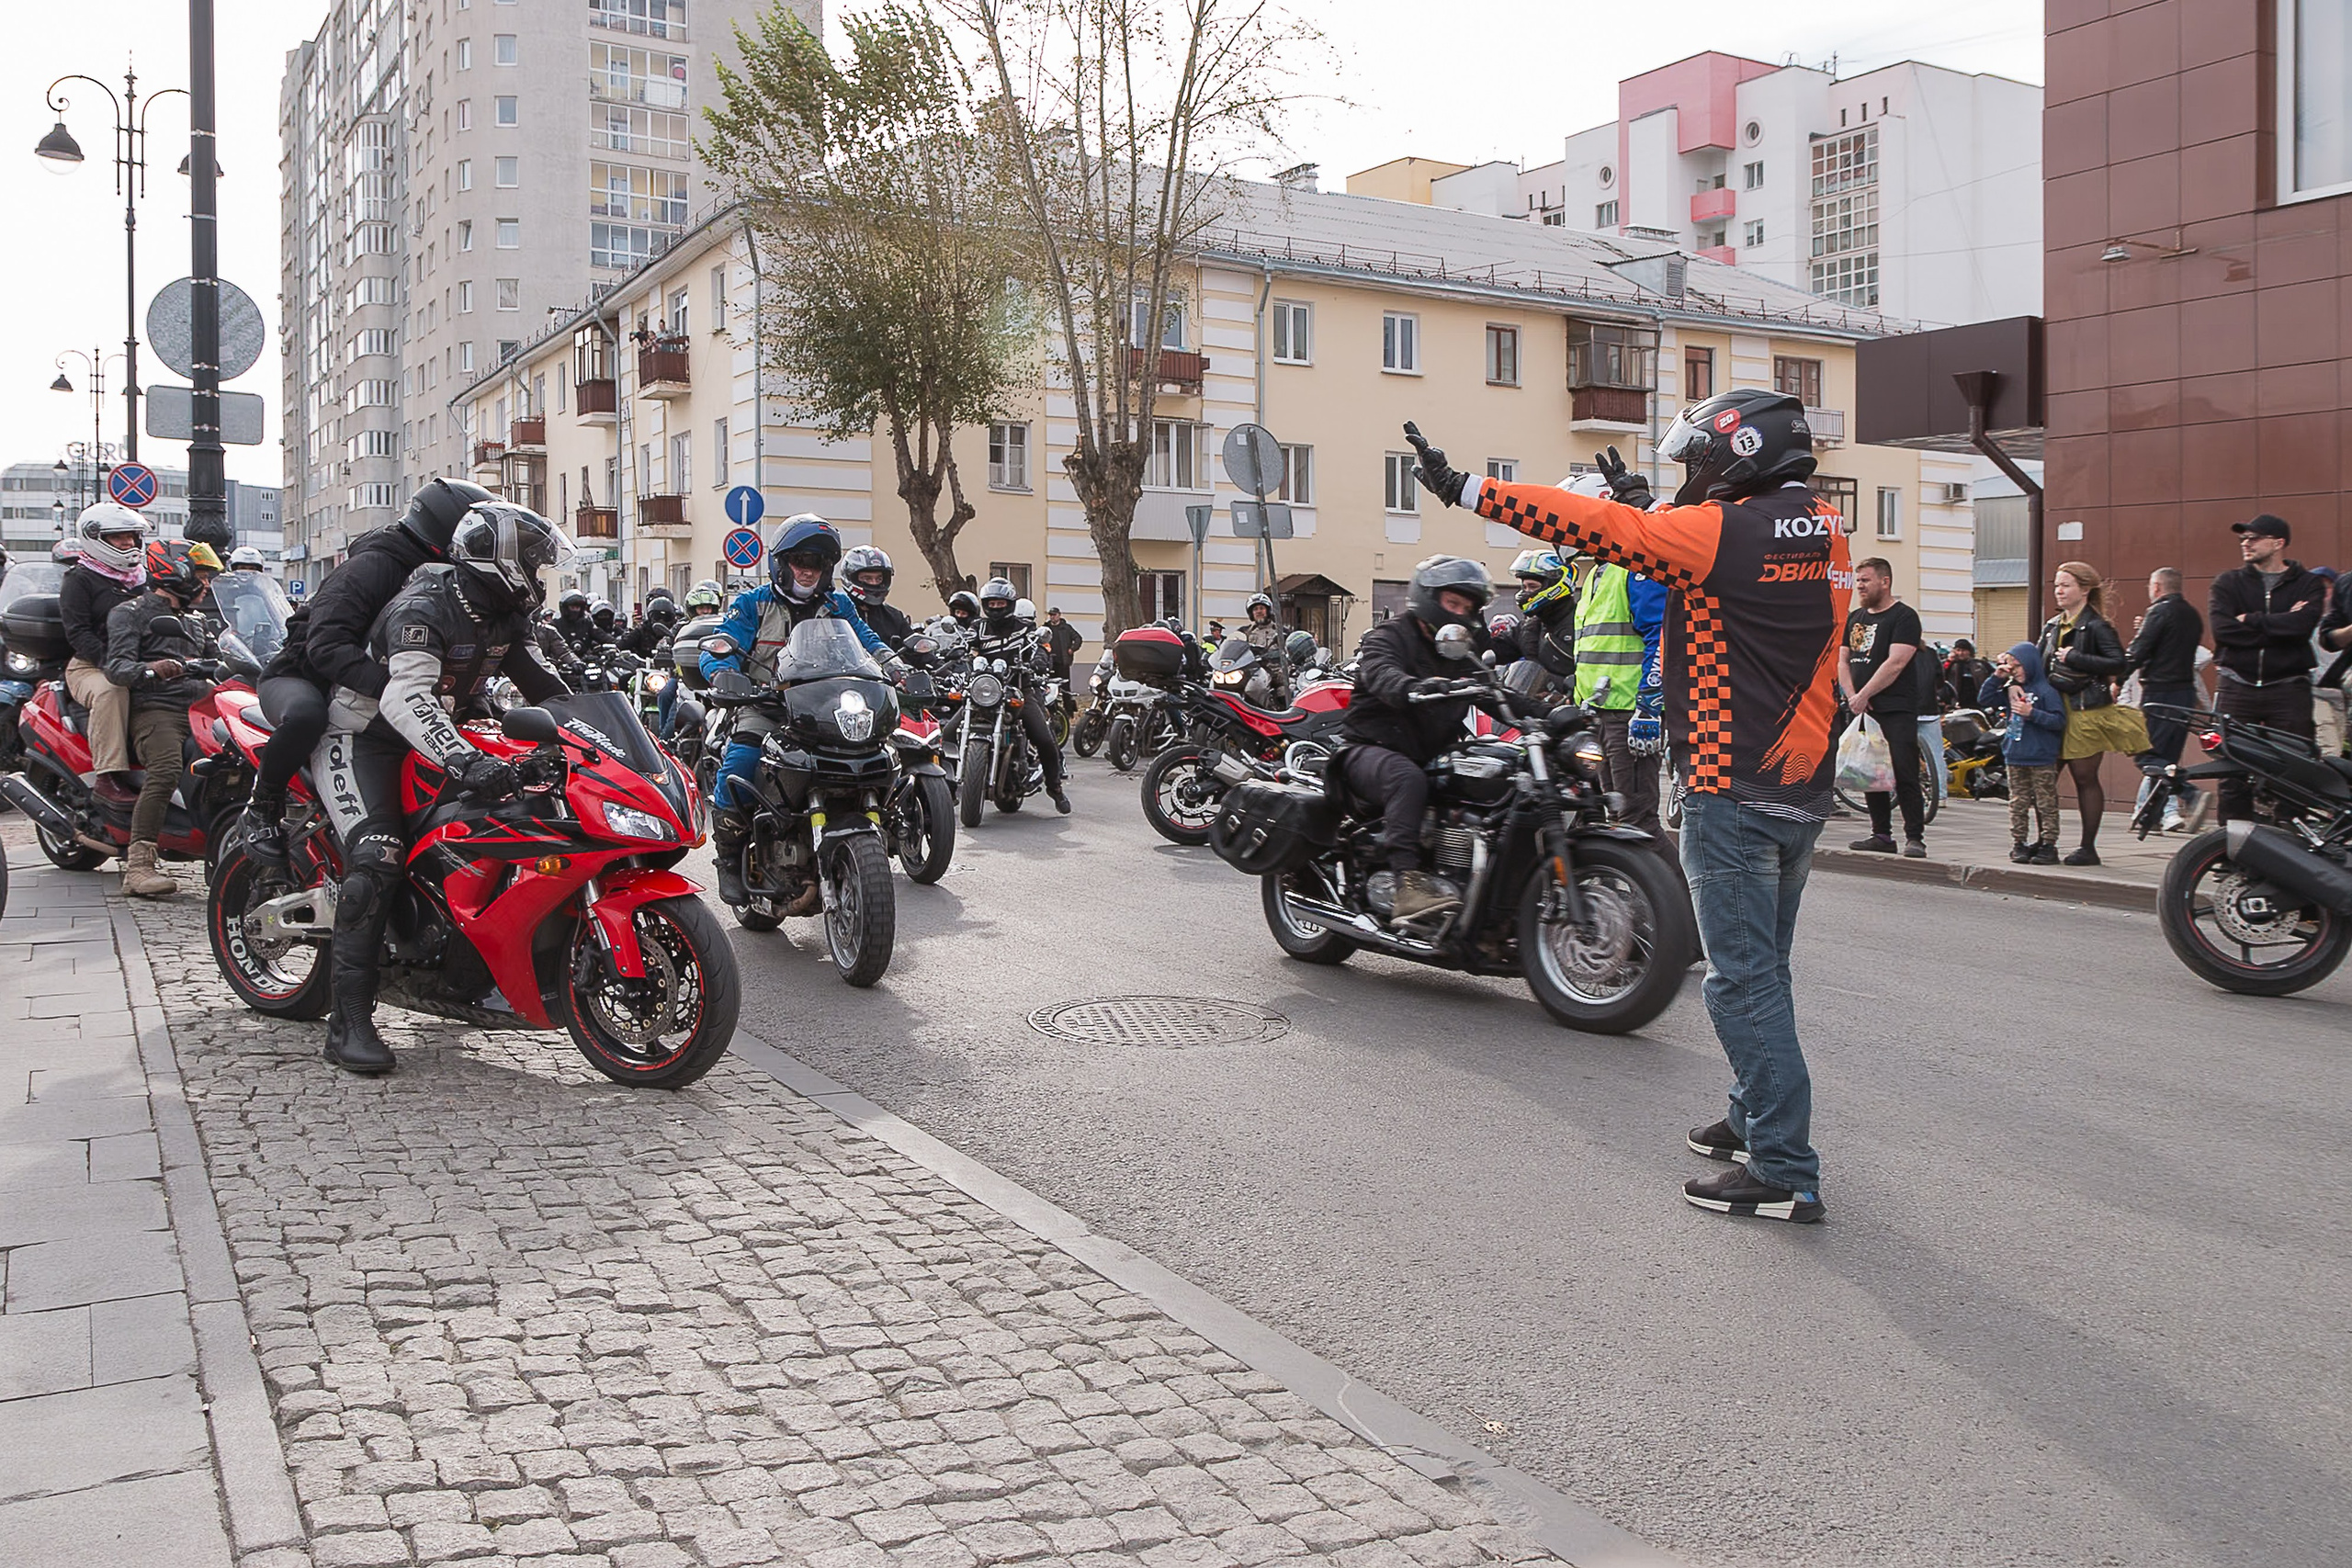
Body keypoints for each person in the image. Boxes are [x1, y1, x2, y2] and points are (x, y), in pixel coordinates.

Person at [1408, 387, 1844, 1224]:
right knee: (1767, 968)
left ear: (1737, 456)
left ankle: (1784, 1169)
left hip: (1730, 787)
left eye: (1697, 459)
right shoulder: (1823, 526)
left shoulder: (1720, 531)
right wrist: (1656, 506)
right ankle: (1751, 1116)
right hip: (1800, 787)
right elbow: (1708, 550)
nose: (1691, 473)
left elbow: (1594, 525)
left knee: (1740, 982)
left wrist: (1466, 487)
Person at [311, 502, 575, 1074]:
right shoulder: (425, 607)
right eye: (534, 562)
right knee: (378, 856)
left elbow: (550, 689)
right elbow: (406, 696)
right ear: (499, 560)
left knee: (503, 826)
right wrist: (465, 759)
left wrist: (603, 739)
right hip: (365, 736)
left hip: (441, 734)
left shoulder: (506, 614)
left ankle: (461, 967)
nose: (539, 574)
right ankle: (348, 1022)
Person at [242, 478, 493, 869]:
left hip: (362, 693)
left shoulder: (448, 577)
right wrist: (394, 690)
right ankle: (262, 806)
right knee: (307, 717)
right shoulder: (376, 565)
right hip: (303, 675)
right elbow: (326, 646)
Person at [701, 515, 901, 906]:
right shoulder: (753, 603)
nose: (808, 570)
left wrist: (895, 667)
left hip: (824, 708)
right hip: (767, 705)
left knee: (881, 754)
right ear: (781, 563)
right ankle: (729, 857)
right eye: (800, 560)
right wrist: (724, 674)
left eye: (818, 562)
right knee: (741, 761)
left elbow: (868, 642)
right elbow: (723, 642)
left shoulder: (838, 604)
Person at [1339, 556, 1495, 920]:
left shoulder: (1458, 650)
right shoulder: (1390, 636)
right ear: (1429, 599)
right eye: (1453, 603)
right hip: (1369, 751)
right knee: (1406, 777)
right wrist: (1413, 687)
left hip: (1430, 755)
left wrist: (1548, 716)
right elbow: (1380, 671)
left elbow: (1492, 691)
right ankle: (1407, 886)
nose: (1460, 613)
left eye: (1467, 607)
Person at [101, 539, 218, 897]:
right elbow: (117, 667)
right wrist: (154, 668)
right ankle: (139, 866)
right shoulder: (130, 612)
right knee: (166, 770)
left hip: (202, 708)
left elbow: (220, 657)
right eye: (201, 576)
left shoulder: (197, 620)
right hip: (158, 709)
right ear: (176, 574)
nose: (206, 585)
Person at [1559, 474, 1670, 837]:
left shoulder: (1635, 567)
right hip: (1600, 714)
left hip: (1628, 715)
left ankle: (1659, 879)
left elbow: (1660, 636)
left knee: (1637, 822)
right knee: (1616, 818)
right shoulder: (1598, 572)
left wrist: (1649, 708)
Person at [2211, 514, 2324, 821]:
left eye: (2254, 538)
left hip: (2289, 686)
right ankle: (2232, 841)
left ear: (2278, 543)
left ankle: (2290, 837)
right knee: (2232, 770)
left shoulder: (2308, 583)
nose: (2245, 544)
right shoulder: (2228, 582)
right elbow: (2223, 631)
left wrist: (2250, 619)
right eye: (2243, 539)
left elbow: (2301, 628)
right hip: (2237, 684)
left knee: (2294, 766)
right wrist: (2281, 623)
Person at [2040, 561, 2144, 863]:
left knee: (2084, 777)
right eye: (2057, 585)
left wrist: (2076, 657)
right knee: (2043, 779)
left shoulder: (2097, 625)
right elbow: (2038, 661)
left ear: (2084, 590)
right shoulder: (2052, 625)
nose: (2059, 591)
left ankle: (2088, 848)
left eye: (2066, 585)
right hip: (2052, 710)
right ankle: (2045, 843)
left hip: (2085, 711)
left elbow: (2119, 663)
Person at [61, 502, 157, 787]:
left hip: (143, 661)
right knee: (111, 691)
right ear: (95, 538)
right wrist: (115, 664)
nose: (128, 543)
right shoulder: (79, 579)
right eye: (118, 537)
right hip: (91, 666)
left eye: (131, 536)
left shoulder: (144, 578)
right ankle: (107, 776)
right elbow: (78, 633)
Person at [1839, 558, 1928, 858]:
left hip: (1896, 708)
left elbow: (1896, 663)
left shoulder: (1904, 617)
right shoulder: (1856, 618)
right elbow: (1843, 661)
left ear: (1884, 581)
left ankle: (1915, 837)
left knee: (1904, 771)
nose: (1860, 586)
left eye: (1865, 580)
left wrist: (1865, 693)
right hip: (1863, 709)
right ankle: (1881, 834)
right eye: (1858, 580)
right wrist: (1853, 696)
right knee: (1871, 772)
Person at [970, 576, 1069, 813]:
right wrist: (952, 654)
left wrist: (1038, 660)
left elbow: (1038, 648)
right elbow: (965, 645)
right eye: (991, 604)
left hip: (1019, 688)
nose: (995, 608)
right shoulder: (978, 627)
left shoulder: (1024, 627)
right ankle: (946, 787)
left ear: (1010, 604)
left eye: (1000, 604)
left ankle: (1055, 787)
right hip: (986, 689)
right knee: (947, 733)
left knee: (1044, 739)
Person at [2127, 566, 2209, 831]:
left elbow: (2139, 650)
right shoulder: (2192, 615)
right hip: (2184, 693)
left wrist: (2117, 679)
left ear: (2157, 587)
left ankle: (2189, 792)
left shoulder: (2159, 612)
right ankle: (2152, 817)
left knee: (2147, 756)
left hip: (2160, 692)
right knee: (2167, 759)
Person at [1992, 643, 2066, 863]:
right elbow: (1985, 699)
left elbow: (2058, 721)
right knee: (2018, 803)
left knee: (2046, 803)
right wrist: (1996, 678)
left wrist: (2032, 713)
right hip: (2015, 755)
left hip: (2041, 757)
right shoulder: (2012, 690)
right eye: (2011, 666)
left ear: (2031, 664)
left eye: (2018, 666)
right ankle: (2019, 843)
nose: (2014, 671)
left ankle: (2048, 844)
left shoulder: (2047, 691)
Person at [1509, 547, 1577, 684]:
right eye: (1524, 587)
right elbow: (1495, 648)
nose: (1526, 592)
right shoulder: (1529, 625)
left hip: (1574, 696)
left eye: (1532, 587)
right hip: (1530, 696)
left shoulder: (1580, 623)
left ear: (1555, 585)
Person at [840, 546, 914, 649]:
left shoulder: (894, 617)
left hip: (888, 660)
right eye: (867, 578)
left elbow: (914, 648)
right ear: (850, 577)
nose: (874, 583)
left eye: (879, 579)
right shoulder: (838, 612)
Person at [1939, 639, 1992, 709]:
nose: (1961, 653)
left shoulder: (1980, 664)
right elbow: (1940, 675)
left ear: (1969, 651)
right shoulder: (1950, 664)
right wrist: (1949, 661)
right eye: (1958, 650)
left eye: (1964, 650)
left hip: (1977, 701)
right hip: (1956, 702)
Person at [554, 589, 600, 659]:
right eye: (572, 607)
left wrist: (616, 642)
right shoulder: (556, 624)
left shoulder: (586, 623)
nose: (575, 610)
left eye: (577, 608)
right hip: (561, 661)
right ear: (565, 608)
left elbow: (601, 635)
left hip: (586, 660)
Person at [1043, 604, 1083, 682]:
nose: (1052, 617)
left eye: (1054, 615)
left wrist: (1072, 649)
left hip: (1063, 661)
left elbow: (1078, 638)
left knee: (1065, 683)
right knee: (1050, 683)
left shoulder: (1066, 628)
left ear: (1059, 615)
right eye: (1051, 615)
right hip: (1049, 661)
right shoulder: (1045, 628)